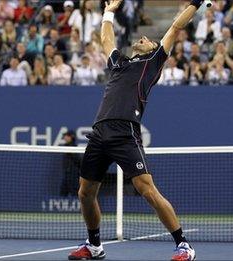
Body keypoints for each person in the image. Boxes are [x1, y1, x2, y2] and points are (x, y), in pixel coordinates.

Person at [67, 0, 199, 260]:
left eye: (148, 39)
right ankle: (94, 245)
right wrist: (108, 12)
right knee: (85, 192)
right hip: (99, 132)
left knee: (146, 188)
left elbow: (175, 26)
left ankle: (184, 245)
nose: (143, 38)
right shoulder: (119, 63)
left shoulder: (153, 61)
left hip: (125, 132)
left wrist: (195, 3)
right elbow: (106, 39)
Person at [60, 130, 80, 197]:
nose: (64, 137)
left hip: (73, 175)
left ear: (71, 137)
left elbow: (78, 160)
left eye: (66, 136)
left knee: (75, 193)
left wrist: (71, 153)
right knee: (62, 192)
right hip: (67, 174)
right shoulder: (66, 147)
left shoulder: (73, 148)